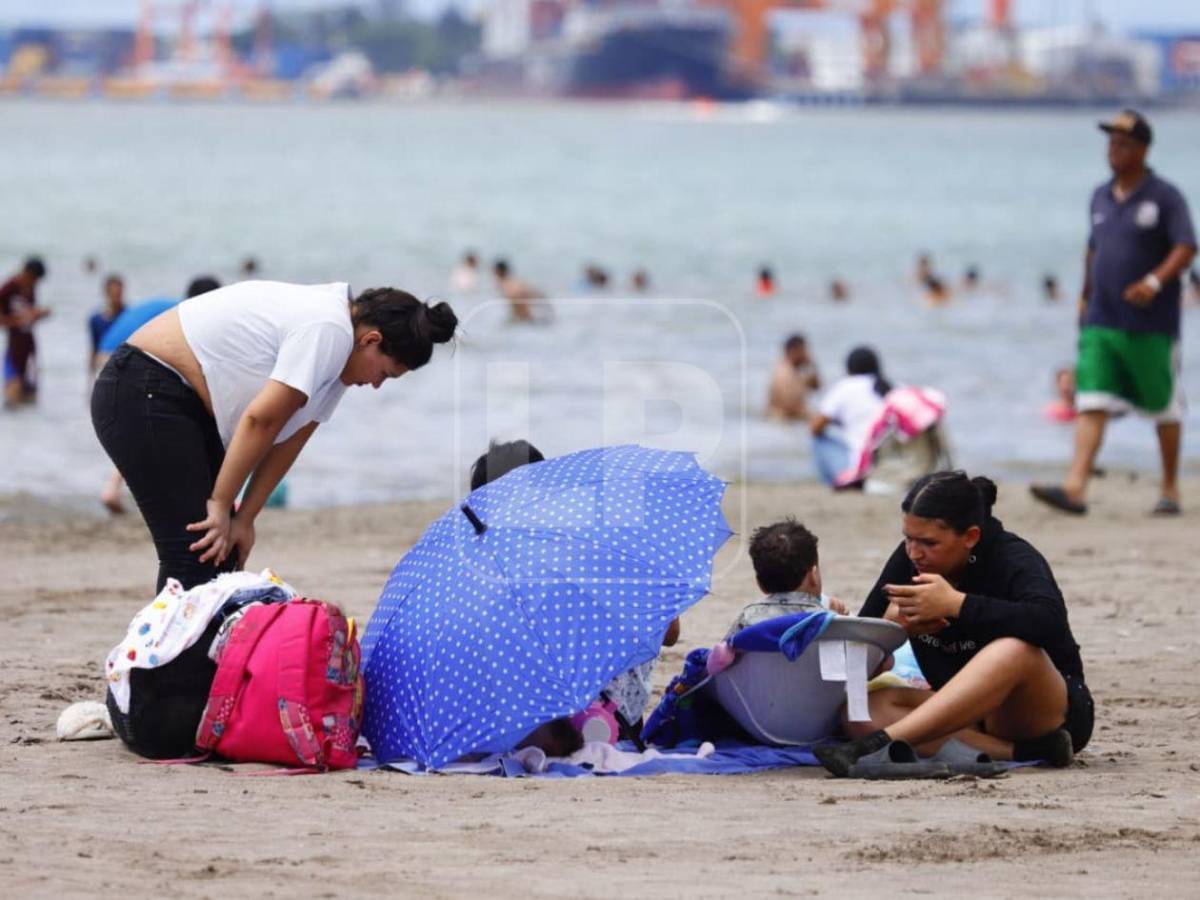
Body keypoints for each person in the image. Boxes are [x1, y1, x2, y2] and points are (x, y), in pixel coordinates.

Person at [92, 281, 457, 592]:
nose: (377, 385)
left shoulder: (342, 359)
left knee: (224, 555)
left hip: (183, 406)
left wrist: (244, 519)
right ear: (371, 340)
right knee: (196, 549)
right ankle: (160, 675)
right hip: (143, 387)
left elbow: (289, 440)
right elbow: (260, 421)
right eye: (386, 374)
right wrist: (221, 505)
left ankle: (192, 670)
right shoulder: (328, 329)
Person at [814, 472, 1092, 776]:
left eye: (929, 543)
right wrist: (893, 630)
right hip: (963, 711)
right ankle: (1029, 753)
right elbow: (861, 644)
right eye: (908, 538)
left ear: (970, 537)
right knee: (860, 712)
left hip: (1039, 712)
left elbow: (1049, 621)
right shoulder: (910, 559)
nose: (914, 552)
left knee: (1013, 649)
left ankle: (877, 745)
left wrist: (956, 604)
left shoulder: (1013, 557)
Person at [1032, 110, 1196, 517]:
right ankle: (1075, 488)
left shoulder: (1164, 196)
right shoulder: (1100, 196)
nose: (1114, 150)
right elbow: (1094, 249)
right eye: (1110, 142)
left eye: (1123, 143)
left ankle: (1171, 488)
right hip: (1102, 320)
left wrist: (1154, 282)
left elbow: (1186, 246)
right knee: (1092, 400)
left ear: (1142, 149)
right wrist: (1084, 297)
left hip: (1150, 325)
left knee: (1163, 407)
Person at [469, 439, 680, 735]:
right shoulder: (599, 536)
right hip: (620, 717)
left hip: (537, 722)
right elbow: (670, 633)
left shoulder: (486, 566)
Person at [95, 276, 222, 515]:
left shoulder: (170, 308)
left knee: (137, 429)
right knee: (147, 426)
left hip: (109, 356)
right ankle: (114, 488)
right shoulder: (191, 317)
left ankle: (122, 489)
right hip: (124, 359)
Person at [725, 519, 846, 637]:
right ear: (813, 575)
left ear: (760, 584)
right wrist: (838, 617)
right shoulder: (829, 621)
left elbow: (723, 652)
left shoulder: (747, 618)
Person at [809, 346, 890, 487]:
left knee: (818, 440)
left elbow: (815, 427)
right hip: (889, 461)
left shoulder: (844, 387)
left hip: (859, 462)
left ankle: (833, 482)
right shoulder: (890, 387)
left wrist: (839, 422)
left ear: (849, 368)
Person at [1, 256, 50, 408]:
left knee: (30, 394)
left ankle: (26, 429)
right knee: (13, 390)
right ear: (26, 272)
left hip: (29, 345)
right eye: (33, 278)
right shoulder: (9, 287)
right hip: (14, 346)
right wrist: (17, 321)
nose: (34, 282)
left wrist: (37, 315)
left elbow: (28, 317)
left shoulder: (30, 289)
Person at [766, 333, 820, 421]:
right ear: (794, 350)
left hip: (790, 419)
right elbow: (789, 406)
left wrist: (812, 366)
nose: (806, 354)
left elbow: (816, 387)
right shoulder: (784, 373)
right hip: (781, 421)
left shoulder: (796, 371)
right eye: (804, 350)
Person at [88, 274, 126, 375]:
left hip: (124, 364)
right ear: (106, 293)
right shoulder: (95, 320)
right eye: (114, 294)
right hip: (104, 363)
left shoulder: (129, 317)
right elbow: (94, 349)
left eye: (119, 293)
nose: (117, 297)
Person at [493, 259, 548, 323]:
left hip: (528, 318)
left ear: (498, 272)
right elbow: (539, 293)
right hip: (535, 313)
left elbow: (518, 299)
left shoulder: (507, 285)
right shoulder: (515, 281)